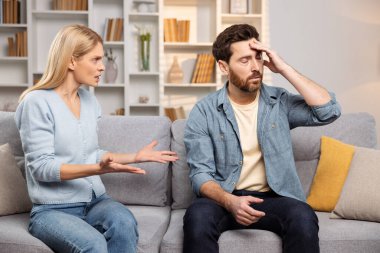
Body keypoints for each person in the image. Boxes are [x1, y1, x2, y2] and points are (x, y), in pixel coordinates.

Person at [14, 24, 178, 253]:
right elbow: (41, 168)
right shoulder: (36, 102)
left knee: (124, 223)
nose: (102, 67)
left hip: (95, 202)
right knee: (94, 244)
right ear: (72, 61)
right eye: (96, 60)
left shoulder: (90, 102)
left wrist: (135, 156)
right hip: (52, 210)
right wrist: (97, 169)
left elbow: (91, 154)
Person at [183, 24, 341, 253]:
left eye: (258, 57)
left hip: (274, 198)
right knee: (197, 218)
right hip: (224, 198)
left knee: (303, 217)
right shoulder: (204, 111)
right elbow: (200, 175)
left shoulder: (280, 102)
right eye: (245, 60)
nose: (256, 67)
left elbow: (329, 111)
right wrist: (230, 201)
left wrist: (284, 68)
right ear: (223, 66)